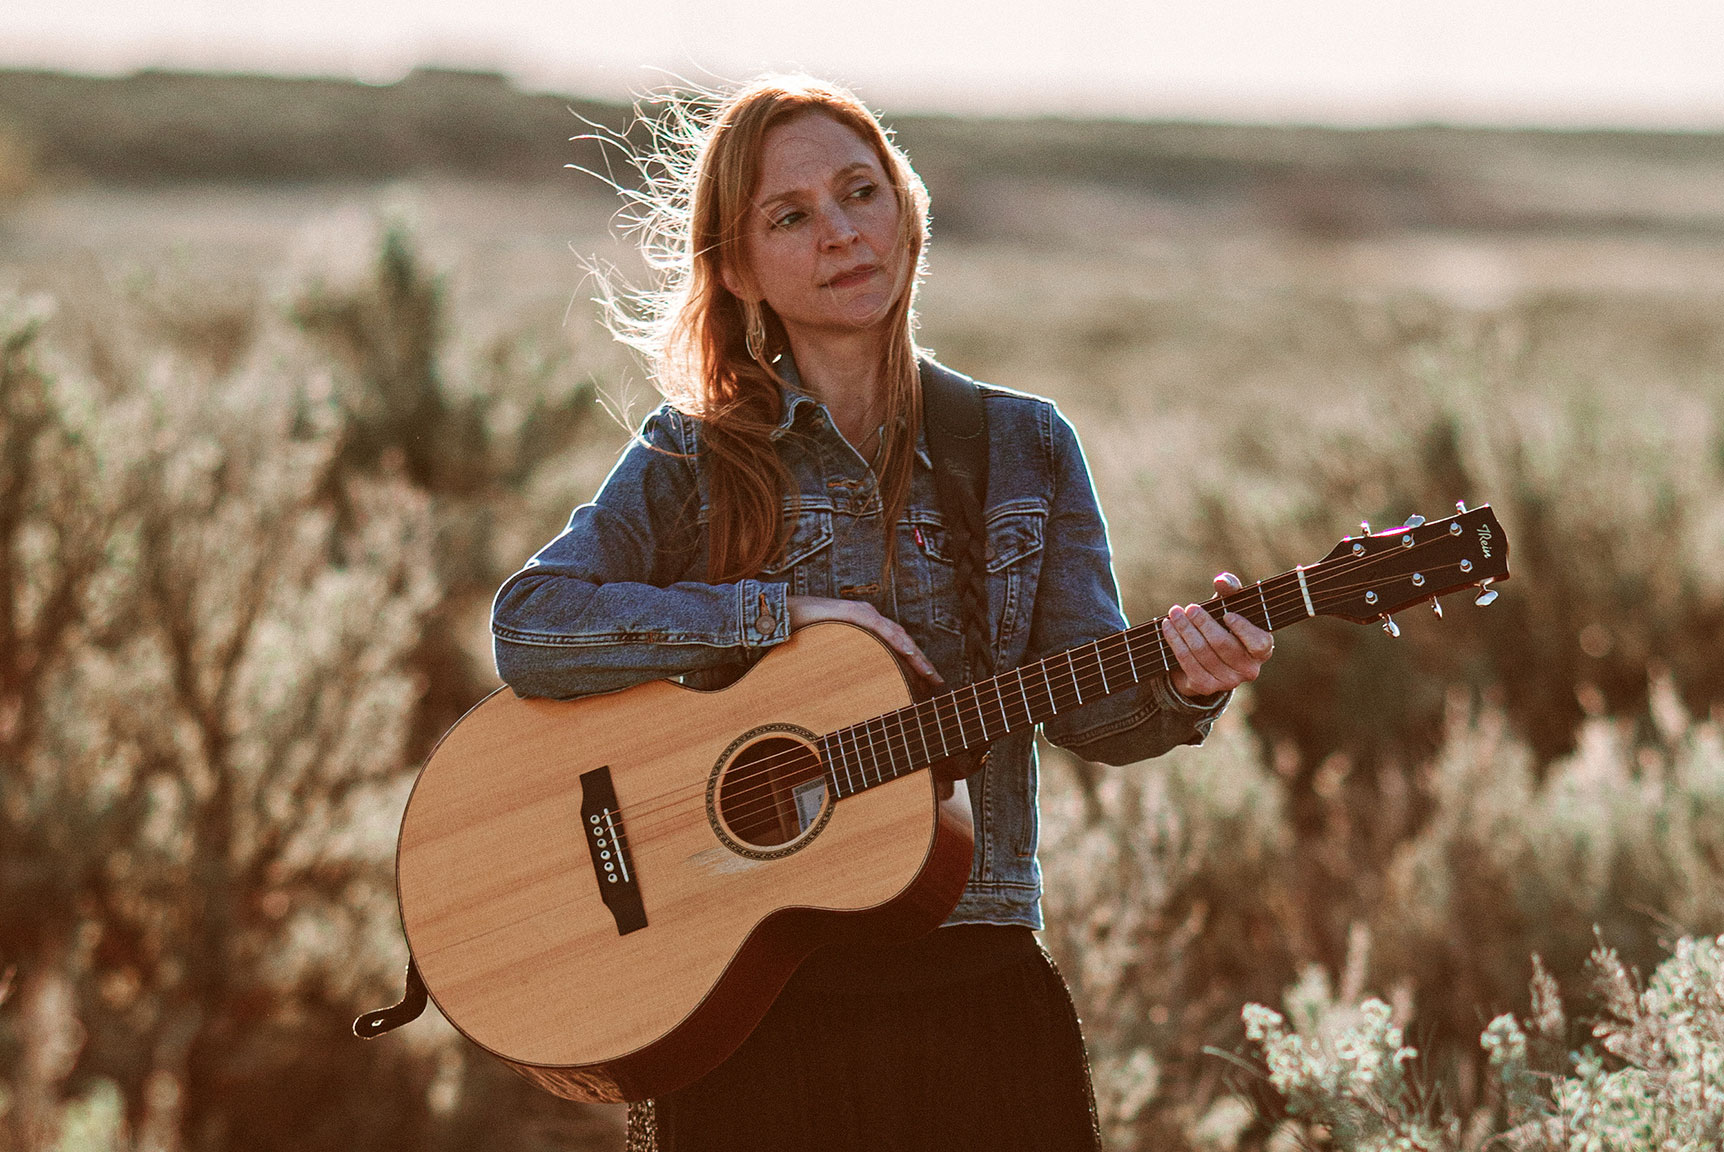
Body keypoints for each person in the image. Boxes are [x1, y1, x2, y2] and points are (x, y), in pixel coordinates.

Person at [490, 75, 1273, 1152]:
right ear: (737, 268)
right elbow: (530, 626)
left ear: (907, 209)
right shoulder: (694, 455)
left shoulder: (1022, 448)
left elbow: (1090, 713)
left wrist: (1185, 685)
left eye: (861, 193)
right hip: (746, 997)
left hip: (971, 984)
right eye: (790, 216)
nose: (841, 233)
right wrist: (776, 617)